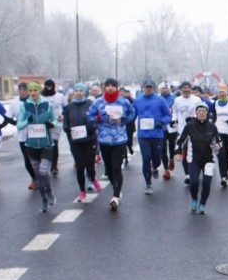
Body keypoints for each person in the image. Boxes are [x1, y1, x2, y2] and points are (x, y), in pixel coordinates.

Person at [86, 78, 136, 211]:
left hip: (119, 140)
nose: (110, 88)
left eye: (112, 86)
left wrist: (124, 120)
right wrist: (99, 118)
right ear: (104, 88)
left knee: (116, 167)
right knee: (108, 170)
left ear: (117, 87)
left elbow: (132, 113)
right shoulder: (98, 102)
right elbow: (89, 116)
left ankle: (115, 196)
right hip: (103, 139)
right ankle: (116, 187)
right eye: (107, 85)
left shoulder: (123, 101)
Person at [17, 82, 58, 212]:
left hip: (46, 144)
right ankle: (44, 200)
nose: (33, 93)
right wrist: (26, 122)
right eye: (31, 90)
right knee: (38, 176)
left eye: (35, 90)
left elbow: (55, 119)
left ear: (39, 91)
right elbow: (19, 125)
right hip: (31, 145)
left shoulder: (48, 105)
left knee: (44, 171)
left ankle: (50, 191)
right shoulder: (25, 106)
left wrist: (51, 124)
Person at [178, 104, 221, 214]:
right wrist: (177, 152)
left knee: (206, 183)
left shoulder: (212, 126)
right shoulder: (190, 126)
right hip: (194, 159)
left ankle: (202, 204)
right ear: (196, 113)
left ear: (207, 113)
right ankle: (194, 199)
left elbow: (218, 142)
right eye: (200, 111)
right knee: (194, 182)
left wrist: (217, 146)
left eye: (204, 111)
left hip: (208, 160)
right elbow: (181, 140)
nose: (202, 113)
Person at [63, 83, 101, 201]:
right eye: (76, 90)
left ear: (84, 92)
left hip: (89, 139)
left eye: (81, 90)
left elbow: (96, 119)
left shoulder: (90, 104)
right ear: (73, 93)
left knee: (90, 165)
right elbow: (66, 123)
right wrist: (66, 129)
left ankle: (93, 178)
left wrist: (92, 126)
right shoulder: (69, 107)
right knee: (80, 166)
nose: (78, 92)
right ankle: (82, 191)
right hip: (76, 141)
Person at [134, 79, 172, 195]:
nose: (148, 89)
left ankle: (155, 166)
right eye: (146, 87)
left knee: (157, 159)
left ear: (154, 88)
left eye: (150, 87)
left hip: (157, 134)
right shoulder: (138, 101)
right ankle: (148, 184)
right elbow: (132, 114)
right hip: (143, 135)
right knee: (146, 158)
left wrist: (162, 122)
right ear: (143, 88)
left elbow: (168, 115)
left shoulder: (160, 100)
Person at [6, 82, 39, 189]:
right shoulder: (14, 103)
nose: (23, 91)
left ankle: (42, 177)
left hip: (37, 134)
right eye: (21, 89)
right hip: (23, 136)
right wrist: (17, 123)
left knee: (37, 157)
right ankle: (34, 179)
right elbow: (8, 117)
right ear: (18, 91)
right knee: (27, 158)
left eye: (26, 89)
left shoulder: (36, 101)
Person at [172, 81, 204, 184]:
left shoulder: (197, 100)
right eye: (184, 87)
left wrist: (196, 120)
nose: (186, 89)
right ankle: (188, 174)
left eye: (188, 87)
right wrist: (173, 120)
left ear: (191, 89)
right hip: (182, 130)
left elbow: (202, 112)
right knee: (184, 153)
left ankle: (196, 171)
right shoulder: (177, 100)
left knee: (195, 152)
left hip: (196, 130)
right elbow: (175, 112)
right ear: (181, 89)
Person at [41, 79, 66, 177]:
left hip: (56, 124)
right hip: (44, 124)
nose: (49, 88)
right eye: (47, 86)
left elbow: (65, 108)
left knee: (54, 144)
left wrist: (63, 115)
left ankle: (54, 166)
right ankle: (44, 164)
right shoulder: (41, 97)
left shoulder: (60, 96)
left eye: (51, 86)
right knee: (45, 145)